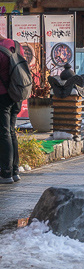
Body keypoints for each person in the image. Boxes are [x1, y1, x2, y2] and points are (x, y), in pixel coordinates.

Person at [0, 36, 26, 184]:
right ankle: (15, 171)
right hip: (17, 93)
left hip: (2, 95)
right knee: (11, 131)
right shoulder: (15, 45)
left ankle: (6, 172)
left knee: (3, 132)